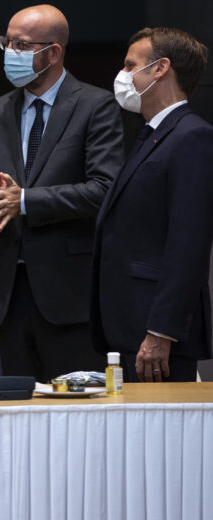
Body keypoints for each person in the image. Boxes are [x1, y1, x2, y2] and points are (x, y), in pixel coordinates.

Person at [0, 5, 124, 382]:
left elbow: (104, 190)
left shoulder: (95, 107)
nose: (10, 53)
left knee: (77, 423)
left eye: (21, 45)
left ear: (54, 52)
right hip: (5, 301)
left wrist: (25, 201)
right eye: (7, 43)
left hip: (71, 300)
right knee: (11, 421)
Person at [91, 27, 212, 382]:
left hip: (156, 336)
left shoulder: (192, 137)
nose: (123, 76)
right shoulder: (151, 134)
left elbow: (188, 245)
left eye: (131, 65)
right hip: (128, 328)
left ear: (160, 69)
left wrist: (162, 331)